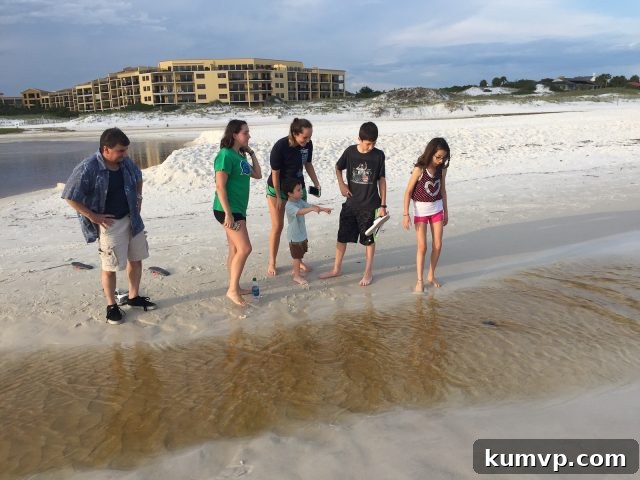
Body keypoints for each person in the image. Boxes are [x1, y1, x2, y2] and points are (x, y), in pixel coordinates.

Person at [62, 127, 156, 325]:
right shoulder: (88, 167)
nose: (125, 154)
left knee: (137, 259)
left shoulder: (125, 162)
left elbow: (138, 176)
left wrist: (139, 198)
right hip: (109, 223)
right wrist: (93, 216)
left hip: (133, 218)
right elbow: (69, 196)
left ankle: (133, 296)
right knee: (110, 266)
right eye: (121, 151)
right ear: (106, 149)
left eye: (126, 150)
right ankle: (112, 306)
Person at [319, 122, 387, 286]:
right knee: (342, 236)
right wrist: (341, 185)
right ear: (359, 139)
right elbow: (337, 167)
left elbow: (382, 180)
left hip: (371, 206)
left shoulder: (378, 155)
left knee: (369, 240)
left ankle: (368, 272)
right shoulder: (350, 152)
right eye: (368, 143)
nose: (371, 147)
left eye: (373, 143)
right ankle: (336, 269)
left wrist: (383, 206)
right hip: (351, 204)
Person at [213, 119, 262, 307]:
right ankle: (232, 290)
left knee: (234, 249)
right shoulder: (225, 155)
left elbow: (257, 174)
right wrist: (228, 214)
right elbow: (220, 185)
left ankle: (235, 285)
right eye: (245, 132)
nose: (249, 135)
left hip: (238, 209)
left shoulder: (240, 157)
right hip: (228, 210)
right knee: (245, 248)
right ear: (234, 135)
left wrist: (251, 153)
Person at [265, 118, 321, 277]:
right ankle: (272, 261)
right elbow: (275, 173)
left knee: (297, 225)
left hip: (297, 188)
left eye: (310, 137)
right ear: (295, 134)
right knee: (278, 226)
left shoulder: (308, 145)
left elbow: (308, 164)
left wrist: (316, 183)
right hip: (277, 189)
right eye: (305, 137)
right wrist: (278, 195)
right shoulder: (281, 146)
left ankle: (298, 259)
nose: (308, 140)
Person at [402, 137, 450, 291]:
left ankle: (431, 275)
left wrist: (446, 211)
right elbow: (408, 191)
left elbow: (442, 189)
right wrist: (405, 214)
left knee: (438, 244)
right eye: (438, 157)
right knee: (422, 247)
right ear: (431, 153)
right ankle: (419, 280)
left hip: (437, 209)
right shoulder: (420, 169)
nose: (441, 161)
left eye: (444, 157)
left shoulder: (442, 169)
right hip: (421, 211)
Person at [282, 177, 332, 285]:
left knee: (301, 252)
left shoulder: (299, 201)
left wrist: (323, 209)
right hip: (294, 236)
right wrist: (311, 209)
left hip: (301, 233)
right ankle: (296, 275)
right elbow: (300, 212)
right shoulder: (289, 206)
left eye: (301, 189)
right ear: (289, 193)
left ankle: (300, 264)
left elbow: (310, 206)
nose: (301, 192)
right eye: (298, 190)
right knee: (296, 256)